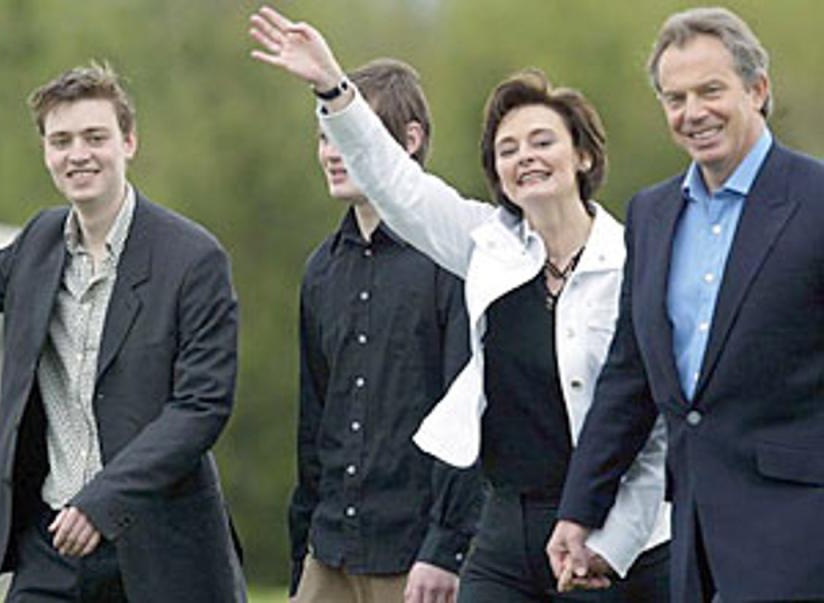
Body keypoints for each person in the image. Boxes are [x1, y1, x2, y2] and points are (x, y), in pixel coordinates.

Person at [249, 7, 669, 601]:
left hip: (608, 527)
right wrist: (333, 89)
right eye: (508, 149)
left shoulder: (635, 263)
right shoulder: (487, 248)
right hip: (505, 528)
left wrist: (609, 541)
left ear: (583, 156)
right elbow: (399, 187)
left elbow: (654, 430)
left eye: (542, 141)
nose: (525, 156)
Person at [0, 63, 246, 602]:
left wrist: (102, 501)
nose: (78, 154)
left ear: (128, 142)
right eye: (61, 140)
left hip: (159, 551)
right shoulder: (39, 243)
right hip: (53, 547)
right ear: (46, 151)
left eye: (95, 137)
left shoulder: (193, 259)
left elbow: (201, 408)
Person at [547, 6, 824, 601]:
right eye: (675, 98)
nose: (693, 113)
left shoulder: (817, 201)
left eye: (710, 91)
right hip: (694, 543)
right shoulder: (651, 215)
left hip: (804, 536)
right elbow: (629, 379)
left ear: (758, 89)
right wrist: (579, 512)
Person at [287, 57, 483, 603]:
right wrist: (301, 546)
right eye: (323, 135)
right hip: (328, 551)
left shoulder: (456, 258)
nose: (330, 151)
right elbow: (314, 424)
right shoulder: (319, 270)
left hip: (419, 558)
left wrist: (445, 548)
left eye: (346, 134)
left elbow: (469, 419)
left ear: (411, 139)